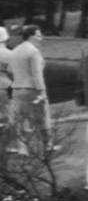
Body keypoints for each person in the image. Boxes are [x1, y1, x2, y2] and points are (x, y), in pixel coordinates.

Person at [8, 24, 51, 155]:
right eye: (38, 35)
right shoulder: (34, 52)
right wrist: (42, 92)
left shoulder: (15, 50)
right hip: (32, 90)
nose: (41, 38)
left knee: (20, 120)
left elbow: (10, 70)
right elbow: (37, 75)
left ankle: (22, 148)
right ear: (31, 36)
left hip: (17, 90)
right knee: (43, 117)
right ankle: (48, 145)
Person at [0, 27, 13, 151]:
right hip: (3, 87)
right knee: (7, 116)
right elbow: (14, 72)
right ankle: (8, 145)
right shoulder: (8, 54)